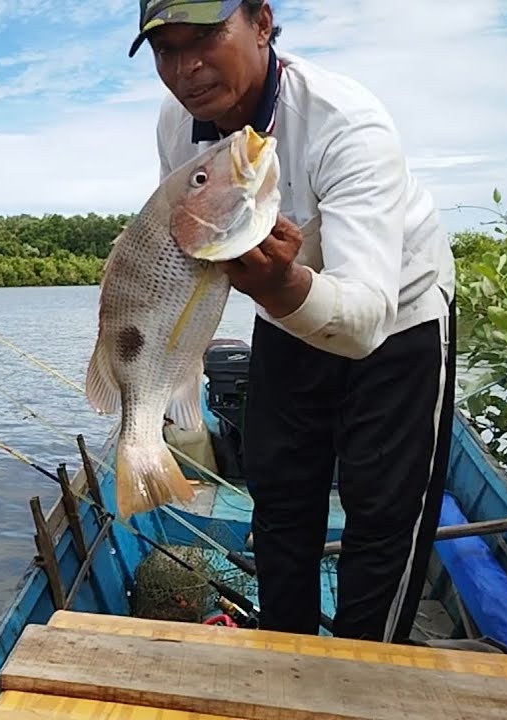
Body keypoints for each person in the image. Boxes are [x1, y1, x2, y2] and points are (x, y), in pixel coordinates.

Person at [130, 0, 459, 644]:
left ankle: (363, 676)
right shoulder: (178, 124)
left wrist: (281, 285)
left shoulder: (346, 123)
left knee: (382, 518)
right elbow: (183, 244)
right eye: (165, 50)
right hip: (283, 319)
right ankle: (280, 664)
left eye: (204, 37)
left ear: (261, 23)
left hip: (399, 323)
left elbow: (365, 318)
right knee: (279, 503)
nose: (186, 68)